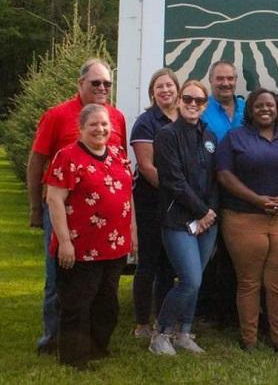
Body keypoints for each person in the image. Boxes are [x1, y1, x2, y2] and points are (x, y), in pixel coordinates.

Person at [27, 58, 127, 355]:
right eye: (95, 82)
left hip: (106, 228)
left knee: (98, 289)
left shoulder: (116, 117)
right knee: (58, 278)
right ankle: (54, 339)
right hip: (63, 212)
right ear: (80, 84)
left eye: (107, 83)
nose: (102, 88)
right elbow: (36, 163)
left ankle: (89, 342)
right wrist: (36, 207)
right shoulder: (57, 115)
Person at [216, 88, 278, 353]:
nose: (265, 109)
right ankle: (249, 339)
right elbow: (224, 175)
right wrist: (257, 199)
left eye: (270, 105)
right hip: (244, 218)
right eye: (259, 106)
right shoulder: (235, 138)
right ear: (251, 111)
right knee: (249, 282)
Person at [45, 104, 135, 369]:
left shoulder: (118, 154)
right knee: (77, 304)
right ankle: (74, 357)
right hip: (80, 247)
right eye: (94, 124)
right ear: (81, 128)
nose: (100, 129)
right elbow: (54, 199)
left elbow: (127, 194)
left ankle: (97, 347)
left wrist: (133, 231)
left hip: (114, 246)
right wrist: (64, 242)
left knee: (107, 304)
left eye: (105, 124)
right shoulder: (67, 157)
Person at [149, 81, 219, 355]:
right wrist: (201, 212)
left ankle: (184, 333)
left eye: (199, 101)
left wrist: (210, 213)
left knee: (196, 279)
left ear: (205, 105)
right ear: (178, 101)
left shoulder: (209, 135)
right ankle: (161, 334)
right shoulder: (167, 135)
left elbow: (216, 178)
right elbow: (173, 181)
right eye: (188, 99)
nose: (193, 104)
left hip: (207, 221)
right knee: (190, 280)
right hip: (178, 220)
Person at [130, 68, 179, 339]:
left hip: (176, 204)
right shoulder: (146, 122)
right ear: (152, 92)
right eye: (159, 87)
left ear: (177, 89)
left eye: (169, 86)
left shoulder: (185, 118)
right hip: (151, 201)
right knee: (147, 263)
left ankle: (163, 321)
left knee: (168, 266)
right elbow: (147, 168)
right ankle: (141, 324)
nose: (165, 91)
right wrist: (180, 192)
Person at [196, 60, 245, 327]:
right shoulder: (202, 110)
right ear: (211, 80)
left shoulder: (246, 108)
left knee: (233, 253)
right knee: (209, 253)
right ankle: (203, 310)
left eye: (230, 78)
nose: (225, 83)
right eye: (220, 79)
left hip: (242, 190)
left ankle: (228, 310)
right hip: (210, 189)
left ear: (236, 80)